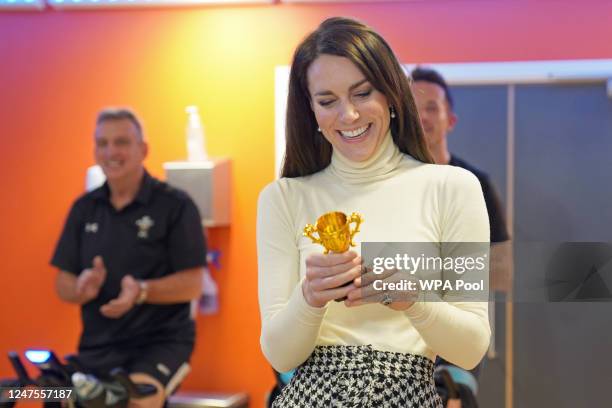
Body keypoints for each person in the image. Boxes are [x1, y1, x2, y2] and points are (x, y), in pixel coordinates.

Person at [257, 17, 490, 407]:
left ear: (392, 95)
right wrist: (309, 297)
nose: (347, 115)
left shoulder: (453, 188)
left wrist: (415, 298)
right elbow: (279, 355)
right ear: (309, 110)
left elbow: (470, 349)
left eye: (362, 93)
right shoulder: (284, 198)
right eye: (327, 101)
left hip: (409, 392)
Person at [51, 108, 207, 408]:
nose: (111, 152)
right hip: (96, 350)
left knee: (126, 401)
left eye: (121, 142)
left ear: (143, 150)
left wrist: (142, 291)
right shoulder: (83, 209)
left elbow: (192, 285)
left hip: (157, 346)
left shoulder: (175, 206)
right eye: (102, 143)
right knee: (37, 393)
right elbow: (63, 283)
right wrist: (81, 287)